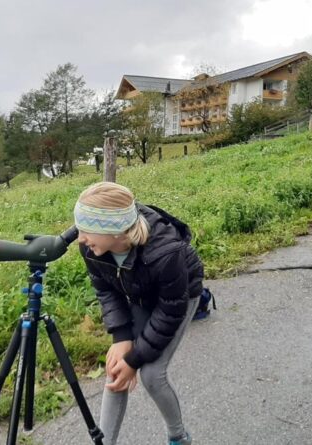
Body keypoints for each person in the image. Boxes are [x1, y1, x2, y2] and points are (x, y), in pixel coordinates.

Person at [74, 181, 204, 445]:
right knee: (115, 366)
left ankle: (179, 437)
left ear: (115, 230)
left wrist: (135, 358)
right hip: (140, 292)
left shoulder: (166, 253)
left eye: (86, 230)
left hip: (179, 296)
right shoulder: (91, 248)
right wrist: (122, 337)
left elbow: (170, 309)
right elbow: (106, 290)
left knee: (152, 375)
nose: (80, 238)